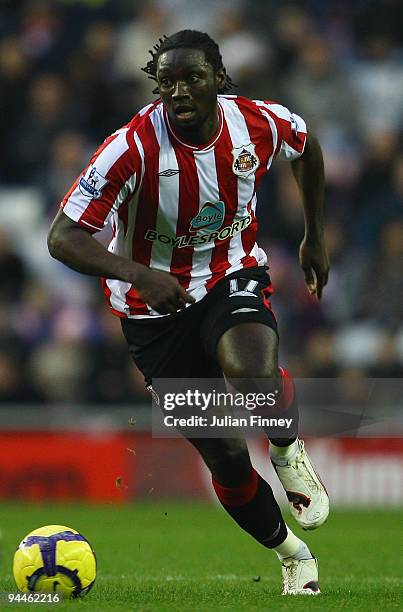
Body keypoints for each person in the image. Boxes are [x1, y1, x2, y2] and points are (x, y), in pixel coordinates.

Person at [48, 30, 330, 595]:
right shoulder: (129, 147)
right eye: (167, 81)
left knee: (253, 376)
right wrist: (138, 274)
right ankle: (294, 555)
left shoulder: (257, 122)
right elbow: (62, 238)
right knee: (225, 456)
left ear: (218, 80)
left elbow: (308, 148)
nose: (178, 90)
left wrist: (313, 237)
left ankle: (284, 446)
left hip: (230, 275)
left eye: (192, 78)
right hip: (152, 311)